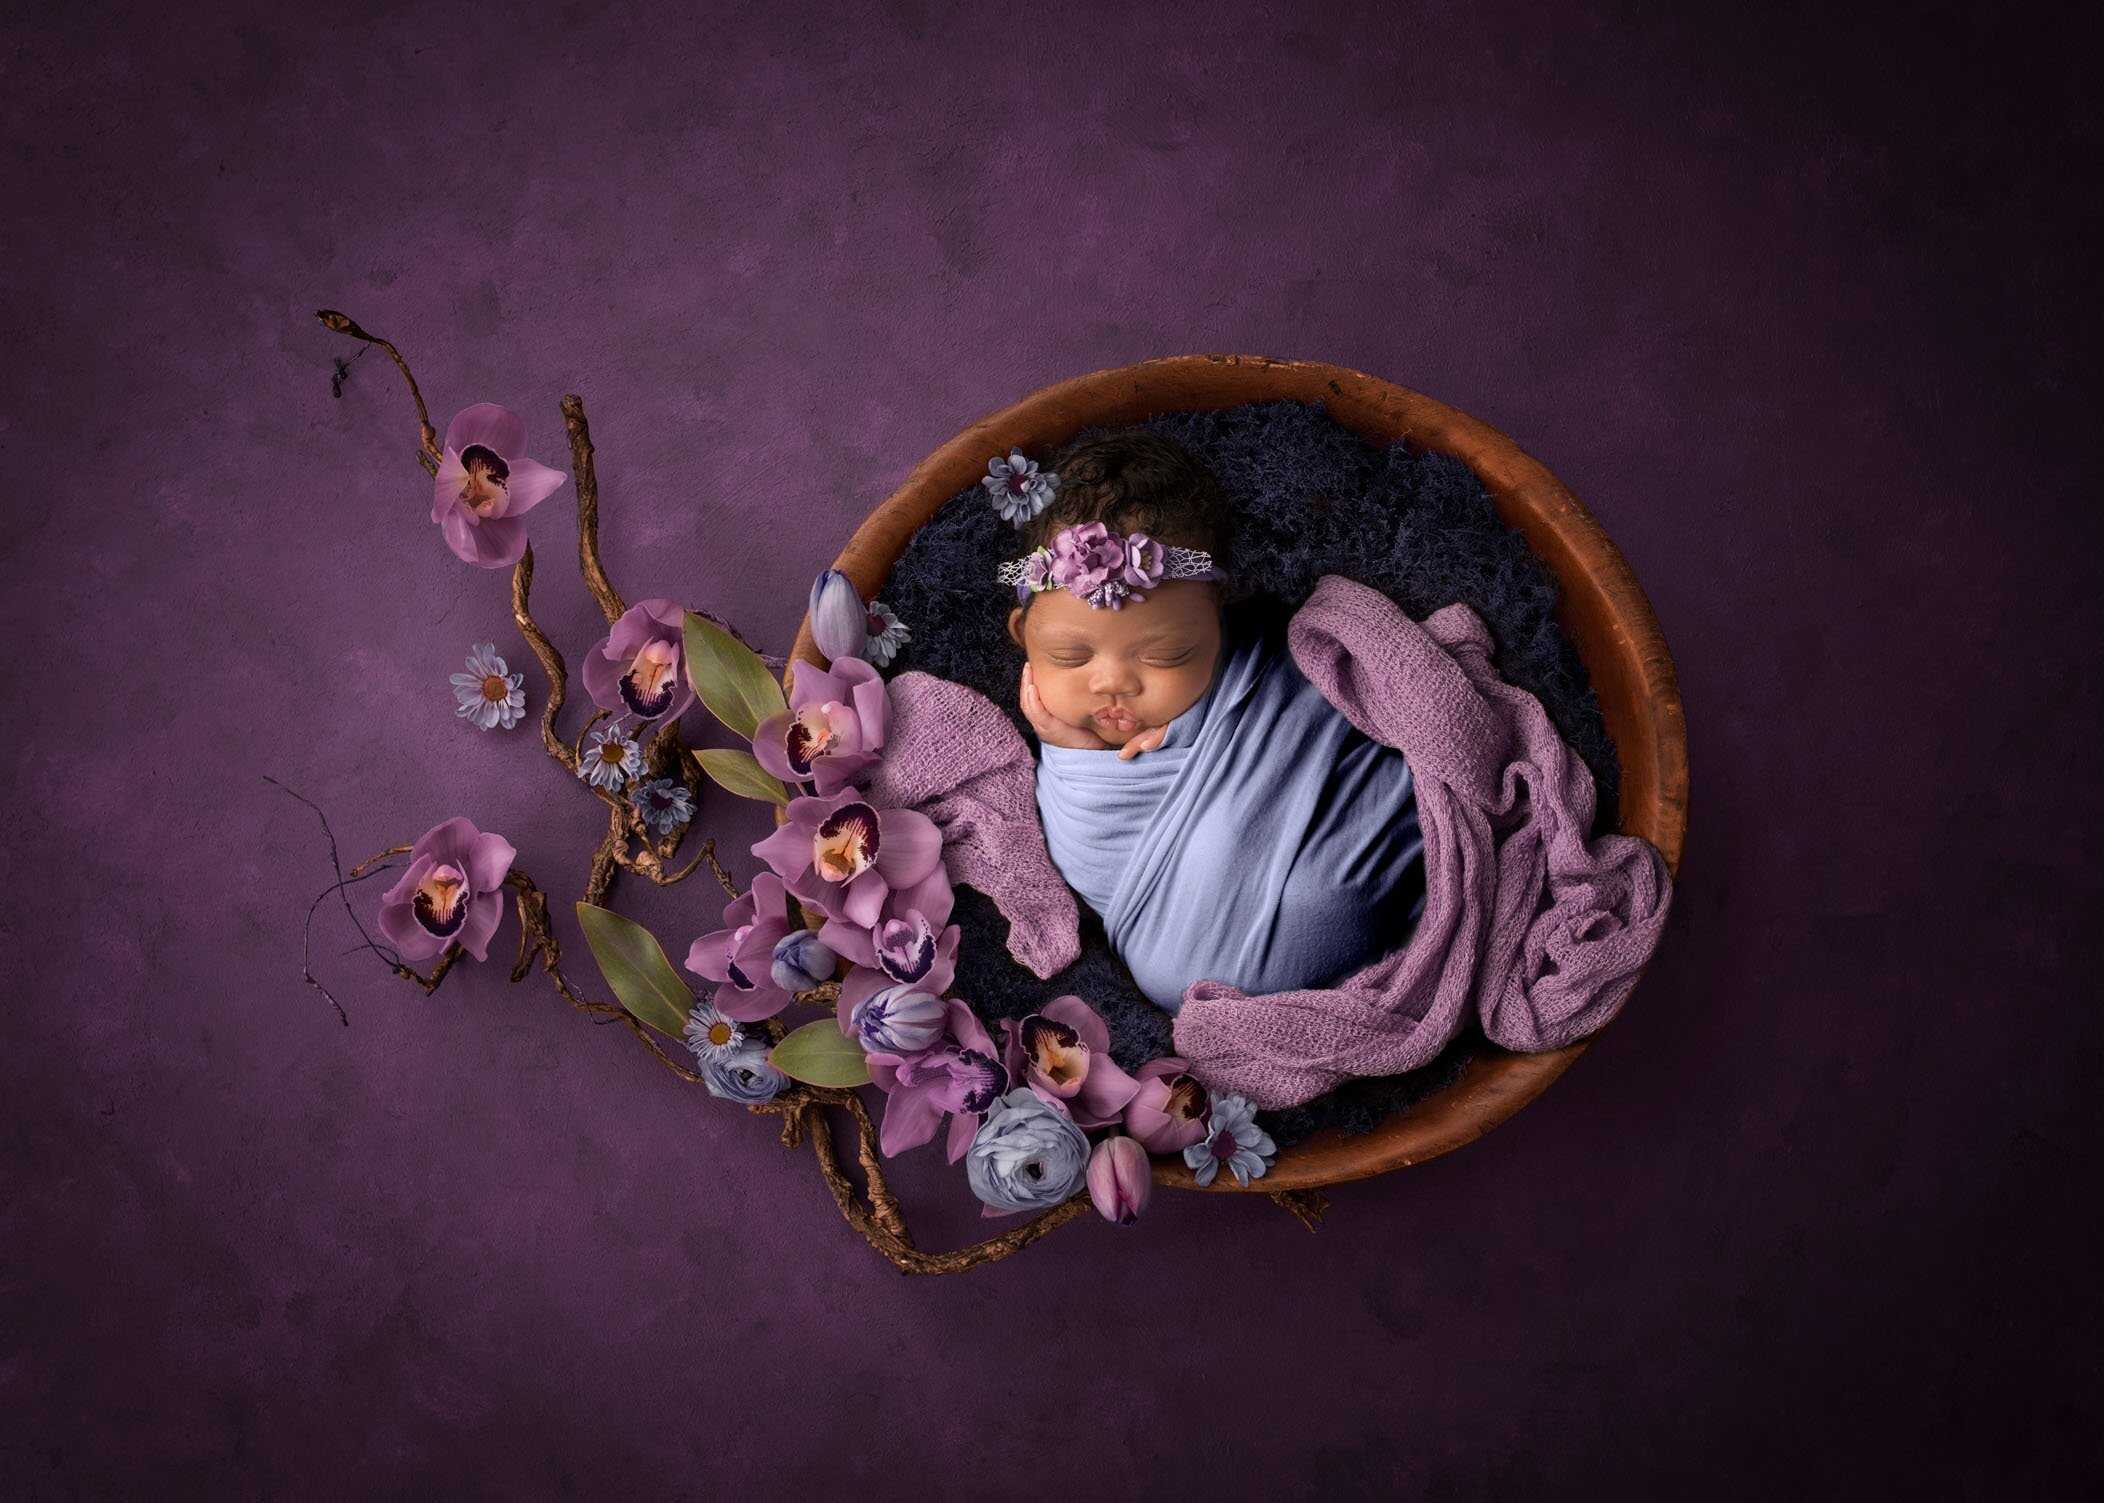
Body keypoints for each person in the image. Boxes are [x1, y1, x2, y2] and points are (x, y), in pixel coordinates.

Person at [1001, 429, 1428, 1013]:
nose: (1112, 684)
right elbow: (1090, 866)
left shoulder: (1268, 671)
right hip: (1176, 944)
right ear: (1023, 636)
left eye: (1166, 656)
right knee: (1175, 959)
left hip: (1322, 883)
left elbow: (1333, 715)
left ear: (1222, 630)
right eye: (1070, 658)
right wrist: (1074, 756)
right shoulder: (1061, 745)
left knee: (1322, 891)